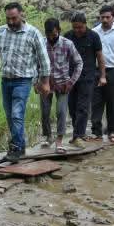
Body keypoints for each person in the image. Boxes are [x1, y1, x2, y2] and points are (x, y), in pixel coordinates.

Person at [0, 2, 51, 163]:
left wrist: (45, 82)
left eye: (14, 18)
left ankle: (18, 148)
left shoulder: (33, 33)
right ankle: (18, 144)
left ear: (21, 14)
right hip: (6, 80)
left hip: (24, 80)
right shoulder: (1, 31)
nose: (11, 22)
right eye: (8, 18)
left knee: (16, 114)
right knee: (9, 115)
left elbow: (44, 60)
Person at [38, 18, 82, 152]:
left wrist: (71, 82)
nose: (52, 37)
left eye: (54, 34)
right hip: (45, 83)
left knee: (61, 112)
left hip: (63, 84)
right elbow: (34, 64)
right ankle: (48, 136)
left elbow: (79, 63)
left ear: (59, 31)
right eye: (49, 35)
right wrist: (36, 82)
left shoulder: (67, 44)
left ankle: (59, 140)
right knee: (45, 112)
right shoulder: (41, 44)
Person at [91, 5, 114, 142]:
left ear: (113, 17)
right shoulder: (94, 32)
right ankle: (96, 132)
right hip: (96, 71)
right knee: (96, 102)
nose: (105, 20)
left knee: (113, 102)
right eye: (103, 17)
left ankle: (113, 130)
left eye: (108, 17)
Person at [65, 11, 104, 146]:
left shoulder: (93, 36)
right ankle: (78, 132)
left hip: (88, 76)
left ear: (85, 25)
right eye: (74, 27)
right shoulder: (68, 36)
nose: (77, 30)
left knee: (83, 107)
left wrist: (102, 76)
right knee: (72, 106)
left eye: (80, 27)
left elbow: (100, 57)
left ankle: (78, 135)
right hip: (71, 77)